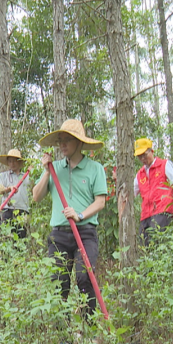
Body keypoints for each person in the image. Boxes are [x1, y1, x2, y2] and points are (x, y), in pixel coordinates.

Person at [32, 119, 108, 318]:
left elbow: (100, 202)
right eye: (60, 141)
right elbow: (36, 197)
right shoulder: (54, 168)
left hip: (85, 233)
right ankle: (63, 335)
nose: (63, 145)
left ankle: (88, 328)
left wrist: (80, 214)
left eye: (68, 140)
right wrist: (47, 172)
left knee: (85, 278)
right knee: (59, 283)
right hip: (59, 235)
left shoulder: (95, 169)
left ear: (79, 143)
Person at [133, 137, 173, 246]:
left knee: (157, 242)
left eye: (144, 155)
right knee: (143, 244)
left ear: (151, 151)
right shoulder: (140, 174)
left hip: (163, 211)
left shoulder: (164, 165)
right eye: (139, 156)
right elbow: (131, 192)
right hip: (146, 215)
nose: (143, 159)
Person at [0, 148, 33, 239]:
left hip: (22, 211)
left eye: (14, 161)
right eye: (10, 161)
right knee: (7, 239)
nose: (12, 164)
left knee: (21, 240)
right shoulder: (3, 176)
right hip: (7, 210)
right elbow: (0, 190)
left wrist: (31, 171)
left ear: (19, 162)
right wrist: (9, 189)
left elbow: (34, 190)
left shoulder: (26, 177)